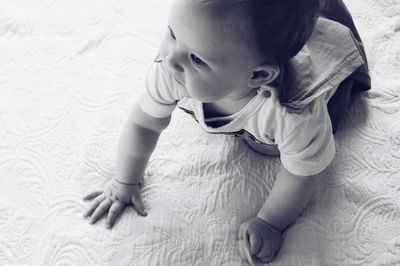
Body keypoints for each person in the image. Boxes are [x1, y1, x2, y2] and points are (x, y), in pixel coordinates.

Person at [83, 0, 370, 263]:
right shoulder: (171, 69)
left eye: (196, 58)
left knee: (295, 138)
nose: (170, 59)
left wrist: (270, 222)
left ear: (258, 76)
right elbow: (143, 123)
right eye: (172, 33)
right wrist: (125, 181)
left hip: (319, 93)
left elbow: (303, 172)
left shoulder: (294, 113)